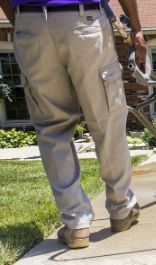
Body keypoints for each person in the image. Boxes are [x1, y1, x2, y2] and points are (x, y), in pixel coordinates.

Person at [0, 0, 147, 249]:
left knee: (51, 126)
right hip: (83, 19)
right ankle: (122, 208)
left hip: (31, 23)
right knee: (107, 119)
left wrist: (24, 21)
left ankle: (76, 222)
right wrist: (137, 28)